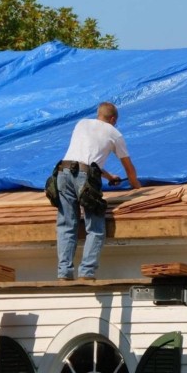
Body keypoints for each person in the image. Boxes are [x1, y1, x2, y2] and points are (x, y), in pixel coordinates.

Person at [56, 102, 141, 281]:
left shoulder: (81, 124)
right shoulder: (114, 133)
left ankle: (64, 272)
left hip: (62, 173)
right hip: (85, 178)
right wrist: (137, 186)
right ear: (113, 119)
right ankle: (87, 272)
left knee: (66, 226)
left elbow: (82, 161)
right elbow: (129, 168)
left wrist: (109, 177)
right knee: (94, 227)